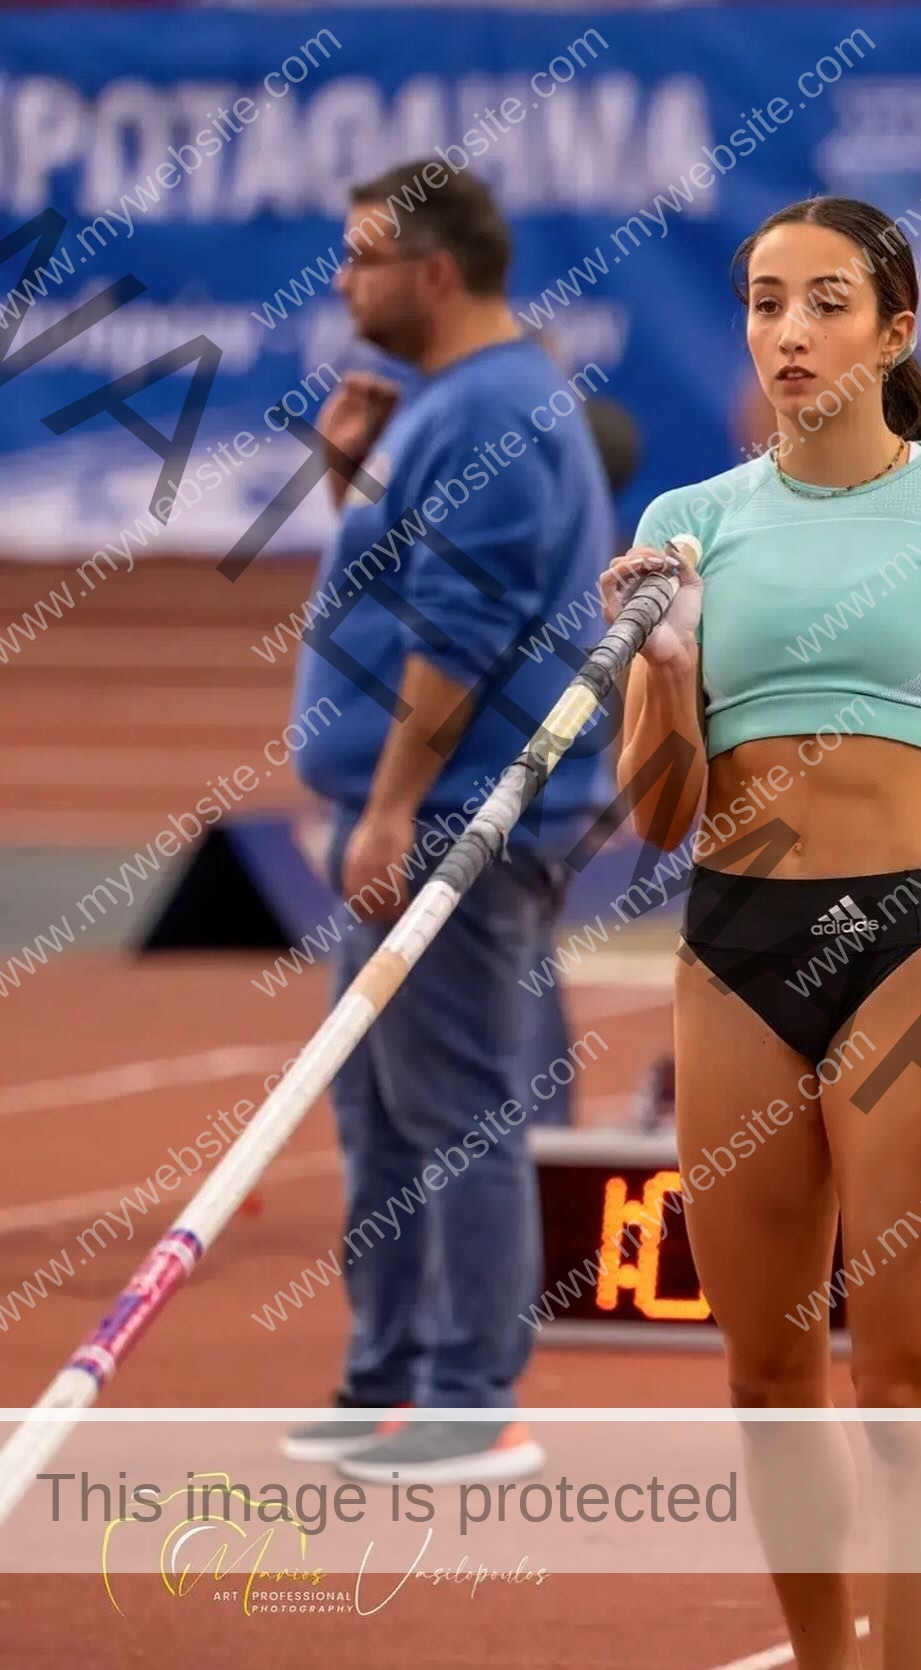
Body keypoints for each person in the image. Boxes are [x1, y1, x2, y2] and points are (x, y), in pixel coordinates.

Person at [600, 195, 921, 1670]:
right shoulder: (683, 525)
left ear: (897, 329)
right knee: (763, 1368)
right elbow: (655, 815)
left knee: (908, 1375)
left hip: (912, 953)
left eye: (824, 302)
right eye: (763, 302)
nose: (788, 333)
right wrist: (666, 671)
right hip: (732, 945)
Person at [277, 160, 614, 1481]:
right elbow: (398, 587)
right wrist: (348, 480)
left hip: (457, 827)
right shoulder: (453, 407)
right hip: (417, 815)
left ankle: (472, 1397)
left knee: (455, 1111)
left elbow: (459, 634)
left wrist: (400, 806)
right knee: (380, 1111)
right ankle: (391, 1379)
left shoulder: (492, 412)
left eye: (360, 258)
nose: (342, 283)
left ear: (432, 272)